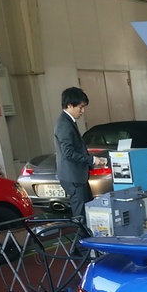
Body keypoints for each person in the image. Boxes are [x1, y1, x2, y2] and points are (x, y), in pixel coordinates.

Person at [54, 87, 106, 224]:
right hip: (73, 177)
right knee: (81, 217)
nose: (82, 111)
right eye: (80, 107)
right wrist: (92, 160)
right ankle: (81, 239)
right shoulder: (64, 124)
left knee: (87, 213)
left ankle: (86, 237)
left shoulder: (68, 121)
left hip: (77, 176)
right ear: (69, 105)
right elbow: (68, 153)